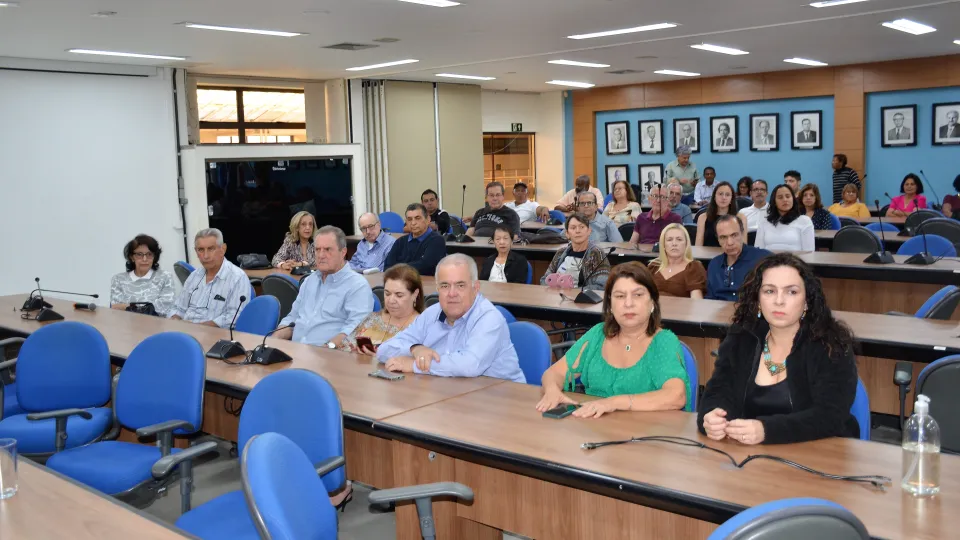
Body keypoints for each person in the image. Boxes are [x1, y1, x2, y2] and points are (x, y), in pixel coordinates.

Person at [698, 253, 860, 445]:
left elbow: (830, 415)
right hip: (751, 456)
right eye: (769, 291)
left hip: (820, 453)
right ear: (757, 299)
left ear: (807, 300)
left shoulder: (831, 344)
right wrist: (711, 417)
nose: (779, 301)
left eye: (791, 292)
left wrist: (767, 430)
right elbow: (718, 391)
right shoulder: (741, 337)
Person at [535, 262, 689, 417]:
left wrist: (613, 402)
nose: (628, 304)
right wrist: (552, 390)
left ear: (653, 303)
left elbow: (676, 396)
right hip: (594, 429)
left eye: (638, 295)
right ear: (610, 305)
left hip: (646, 433)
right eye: (620, 296)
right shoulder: (598, 334)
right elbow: (554, 373)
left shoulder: (663, 341)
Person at [377, 254, 525, 383]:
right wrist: (415, 349)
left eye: (460, 285)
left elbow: (469, 365)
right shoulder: (431, 314)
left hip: (502, 401)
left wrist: (415, 365)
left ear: (476, 287)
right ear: (437, 288)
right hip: (454, 394)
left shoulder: (489, 318)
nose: (452, 293)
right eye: (445, 286)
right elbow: (384, 350)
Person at [275, 226, 373, 347]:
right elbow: (292, 319)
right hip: (296, 353)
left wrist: (326, 349)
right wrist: (272, 341)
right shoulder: (309, 281)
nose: (321, 255)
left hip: (330, 358)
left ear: (343, 252)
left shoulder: (357, 286)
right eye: (317, 249)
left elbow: (355, 331)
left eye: (327, 249)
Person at [170, 228, 249, 328]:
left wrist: (198, 327)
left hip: (215, 335)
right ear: (196, 251)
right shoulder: (194, 276)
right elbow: (178, 308)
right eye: (201, 250)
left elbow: (233, 317)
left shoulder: (237, 277)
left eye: (211, 249)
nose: (205, 256)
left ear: (223, 249)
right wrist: (175, 320)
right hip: (185, 331)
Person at [342, 263, 423, 355]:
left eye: (399, 295)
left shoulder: (422, 327)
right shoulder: (373, 319)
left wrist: (379, 358)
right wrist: (353, 352)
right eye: (387, 294)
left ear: (415, 294)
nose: (391, 300)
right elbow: (344, 346)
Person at [705, 215, 771, 301]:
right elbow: (710, 299)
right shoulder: (714, 264)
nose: (730, 242)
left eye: (734, 235)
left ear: (742, 233)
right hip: (720, 312)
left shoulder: (763, 259)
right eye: (723, 237)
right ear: (718, 239)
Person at [110, 234, 177, 316]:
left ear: (154, 256)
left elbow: (166, 308)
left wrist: (129, 306)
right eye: (139, 254)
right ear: (131, 257)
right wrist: (149, 307)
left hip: (157, 325)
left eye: (149, 254)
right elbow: (116, 309)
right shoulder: (118, 279)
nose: (144, 259)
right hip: (126, 325)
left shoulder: (165, 277)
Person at [542, 213, 610, 291]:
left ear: (589, 231)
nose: (578, 231)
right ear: (567, 234)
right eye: (573, 228)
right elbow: (544, 279)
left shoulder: (596, 253)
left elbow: (602, 286)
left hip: (582, 299)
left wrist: (573, 292)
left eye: (581, 227)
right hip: (556, 298)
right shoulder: (561, 252)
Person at [384, 203, 447, 276]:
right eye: (409, 219)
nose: (413, 223)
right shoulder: (400, 241)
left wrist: (397, 268)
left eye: (417, 218)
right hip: (400, 283)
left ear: (428, 219)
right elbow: (387, 267)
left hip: (426, 284)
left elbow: (426, 267)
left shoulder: (437, 240)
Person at [648, 224, 705, 299]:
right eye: (669, 240)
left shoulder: (694, 267)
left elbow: (697, 302)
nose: (674, 244)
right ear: (663, 245)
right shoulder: (654, 266)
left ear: (686, 244)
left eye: (679, 239)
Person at [755, 185, 815, 252]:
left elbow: (809, 252)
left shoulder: (804, 221)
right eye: (780, 197)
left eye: (788, 196)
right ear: (774, 202)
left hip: (794, 261)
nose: (785, 200)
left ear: (793, 199)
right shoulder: (764, 222)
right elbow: (758, 251)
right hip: (769, 261)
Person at [696, 181, 743, 248]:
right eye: (720, 194)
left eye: (727, 195)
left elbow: (743, 245)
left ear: (731, 199)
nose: (723, 198)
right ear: (714, 197)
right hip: (706, 257)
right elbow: (698, 246)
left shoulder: (740, 217)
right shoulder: (703, 217)